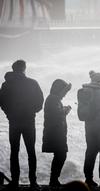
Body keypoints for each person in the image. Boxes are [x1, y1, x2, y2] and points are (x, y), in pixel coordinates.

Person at [0, 60, 44, 189]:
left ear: (13, 69)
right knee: (31, 152)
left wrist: (9, 114)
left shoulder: (6, 84)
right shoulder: (32, 83)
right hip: (29, 121)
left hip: (13, 121)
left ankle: (14, 182)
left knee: (14, 152)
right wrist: (32, 111)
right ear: (24, 68)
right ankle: (33, 182)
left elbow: (2, 102)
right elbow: (40, 101)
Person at [42, 79, 72, 187]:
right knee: (61, 155)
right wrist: (66, 110)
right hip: (55, 133)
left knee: (60, 155)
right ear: (58, 90)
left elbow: (56, 112)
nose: (64, 94)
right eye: (64, 91)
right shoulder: (53, 99)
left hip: (55, 132)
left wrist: (63, 109)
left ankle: (54, 180)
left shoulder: (54, 99)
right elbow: (56, 114)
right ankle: (53, 180)